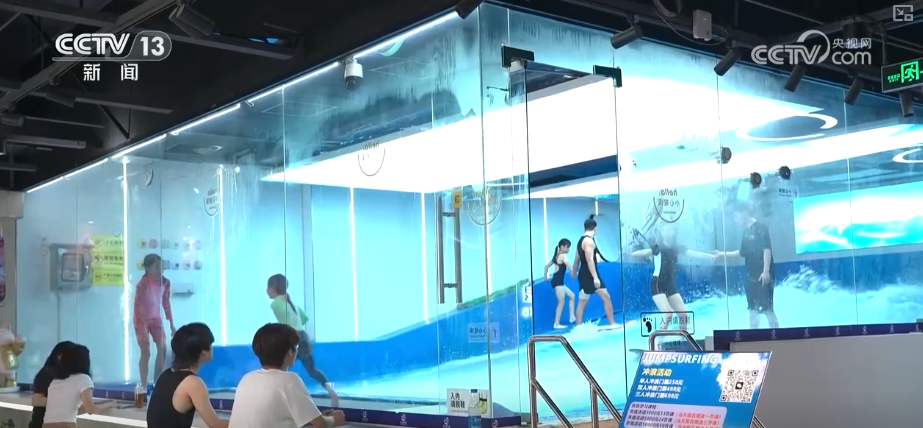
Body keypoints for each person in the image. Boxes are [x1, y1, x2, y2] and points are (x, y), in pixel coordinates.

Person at [228, 323, 346, 428]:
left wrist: (312, 417)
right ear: (290, 352)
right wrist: (334, 419)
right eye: (296, 347)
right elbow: (321, 425)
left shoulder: (246, 379)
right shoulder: (289, 380)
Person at [266, 274, 338, 406]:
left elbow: (284, 323)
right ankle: (331, 391)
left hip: (291, 336)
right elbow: (304, 318)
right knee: (311, 370)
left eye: (267, 288)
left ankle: (281, 399)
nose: (266, 291)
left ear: (272, 289)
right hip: (303, 336)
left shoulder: (275, 304)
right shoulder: (291, 302)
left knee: (279, 369)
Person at [631, 224, 715, 331]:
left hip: (670, 285)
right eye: (664, 230)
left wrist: (709, 256)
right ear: (662, 233)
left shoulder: (677, 248)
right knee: (668, 315)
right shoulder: (658, 247)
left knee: (683, 315)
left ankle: (683, 337)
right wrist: (632, 254)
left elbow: (692, 253)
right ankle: (658, 339)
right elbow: (646, 252)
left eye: (669, 230)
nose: (667, 232)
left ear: (674, 232)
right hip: (657, 284)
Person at [147, 323, 228, 428]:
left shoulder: (165, 374)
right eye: (210, 344)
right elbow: (217, 425)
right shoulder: (193, 383)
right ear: (203, 351)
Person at [714, 203, 780, 329]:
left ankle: (779, 337)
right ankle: (753, 337)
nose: (735, 219)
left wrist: (766, 271)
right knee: (752, 310)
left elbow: (767, 250)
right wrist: (721, 254)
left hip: (763, 277)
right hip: (751, 277)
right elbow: (741, 252)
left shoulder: (760, 227)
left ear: (744, 212)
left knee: (768, 309)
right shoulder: (745, 232)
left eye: (736, 215)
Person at [43, 344, 115, 428]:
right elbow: (90, 409)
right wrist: (110, 404)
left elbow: (68, 408)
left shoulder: (55, 381)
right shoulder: (83, 379)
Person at [134, 253, 176, 389]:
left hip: (156, 318)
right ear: (147, 269)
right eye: (156, 267)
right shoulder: (142, 285)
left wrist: (172, 324)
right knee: (146, 351)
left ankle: (157, 381)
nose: (160, 270)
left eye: (161, 266)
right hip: (141, 319)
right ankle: (144, 384)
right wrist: (143, 328)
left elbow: (166, 304)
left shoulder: (165, 282)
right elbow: (139, 306)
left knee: (162, 348)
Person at [571, 215, 618, 329]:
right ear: (595, 229)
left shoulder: (580, 241)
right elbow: (590, 260)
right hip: (590, 275)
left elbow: (576, 259)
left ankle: (578, 327)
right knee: (606, 297)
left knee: (582, 302)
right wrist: (595, 277)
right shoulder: (589, 241)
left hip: (583, 274)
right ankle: (612, 323)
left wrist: (574, 272)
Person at [29, 341, 76, 428]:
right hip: (42, 422)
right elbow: (36, 400)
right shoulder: (47, 373)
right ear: (58, 355)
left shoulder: (73, 375)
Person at [543, 239, 576, 329]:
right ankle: (556, 324)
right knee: (561, 302)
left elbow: (546, 267)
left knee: (572, 296)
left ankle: (572, 317)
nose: (568, 249)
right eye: (567, 247)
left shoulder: (556, 255)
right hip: (558, 283)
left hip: (557, 281)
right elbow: (568, 265)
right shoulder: (562, 256)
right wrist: (573, 271)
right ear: (562, 247)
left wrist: (546, 277)